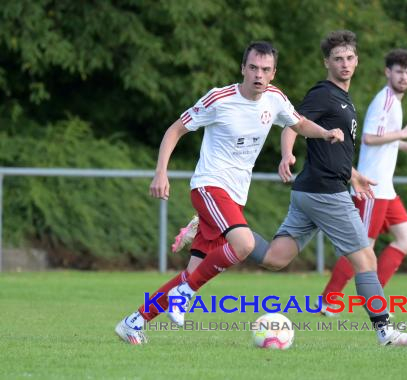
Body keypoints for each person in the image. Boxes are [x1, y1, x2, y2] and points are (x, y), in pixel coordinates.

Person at [171, 32, 407, 347]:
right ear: (327, 63)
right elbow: (294, 123)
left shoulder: (344, 98)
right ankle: (385, 331)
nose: (345, 64)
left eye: (349, 58)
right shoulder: (324, 94)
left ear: (357, 61)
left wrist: (352, 174)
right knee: (366, 260)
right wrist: (287, 153)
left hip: (312, 190)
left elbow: (329, 145)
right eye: (338, 59)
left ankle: (219, 227)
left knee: (275, 259)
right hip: (326, 193)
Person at [114, 41, 344, 345]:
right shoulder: (219, 99)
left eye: (265, 69)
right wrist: (161, 171)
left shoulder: (274, 99)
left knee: (193, 272)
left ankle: (134, 321)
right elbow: (175, 130)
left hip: (234, 197)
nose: (258, 75)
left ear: (273, 73)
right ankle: (186, 294)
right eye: (252, 68)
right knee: (244, 243)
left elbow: (299, 123)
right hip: (209, 185)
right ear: (242, 68)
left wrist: (325, 132)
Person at [318, 49, 407, 316]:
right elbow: (368, 138)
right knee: (361, 246)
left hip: (386, 190)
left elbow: (382, 139)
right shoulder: (386, 100)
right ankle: (329, 299)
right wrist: (402, 132)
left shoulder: (395, 102)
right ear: (387, 72)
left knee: (406, 238)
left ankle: (372, 294)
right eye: (399, 71)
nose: (404, 77)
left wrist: (404, 144)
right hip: (371, 188)